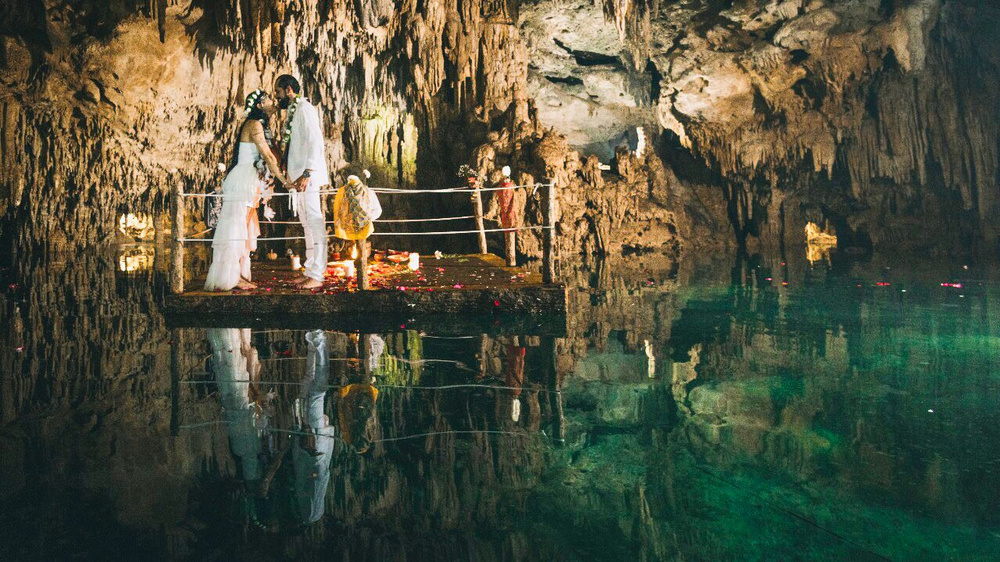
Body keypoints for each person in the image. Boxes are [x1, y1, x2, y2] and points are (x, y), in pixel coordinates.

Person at [204, 90, 290, 291]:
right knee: (235, 227)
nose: (273, 100)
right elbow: (267, 155)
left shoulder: (259, 125)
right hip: (243, 180)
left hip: (251, 181)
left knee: (244, 227)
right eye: (269, 98)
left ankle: (239, 274)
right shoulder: (254, 125)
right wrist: (284, 181)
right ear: (260, 105)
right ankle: (229, 277)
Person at [275, 75, 331, 290]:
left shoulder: (305, 108)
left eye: (278, 93)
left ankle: (318, 273)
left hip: (308, 176)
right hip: (298, 176)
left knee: (315, 221)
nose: (277, 97)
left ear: (289, 90)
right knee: (306, 222)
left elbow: (315, 141)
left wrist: (307, 172)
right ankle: (310, 268)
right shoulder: (293, 111)